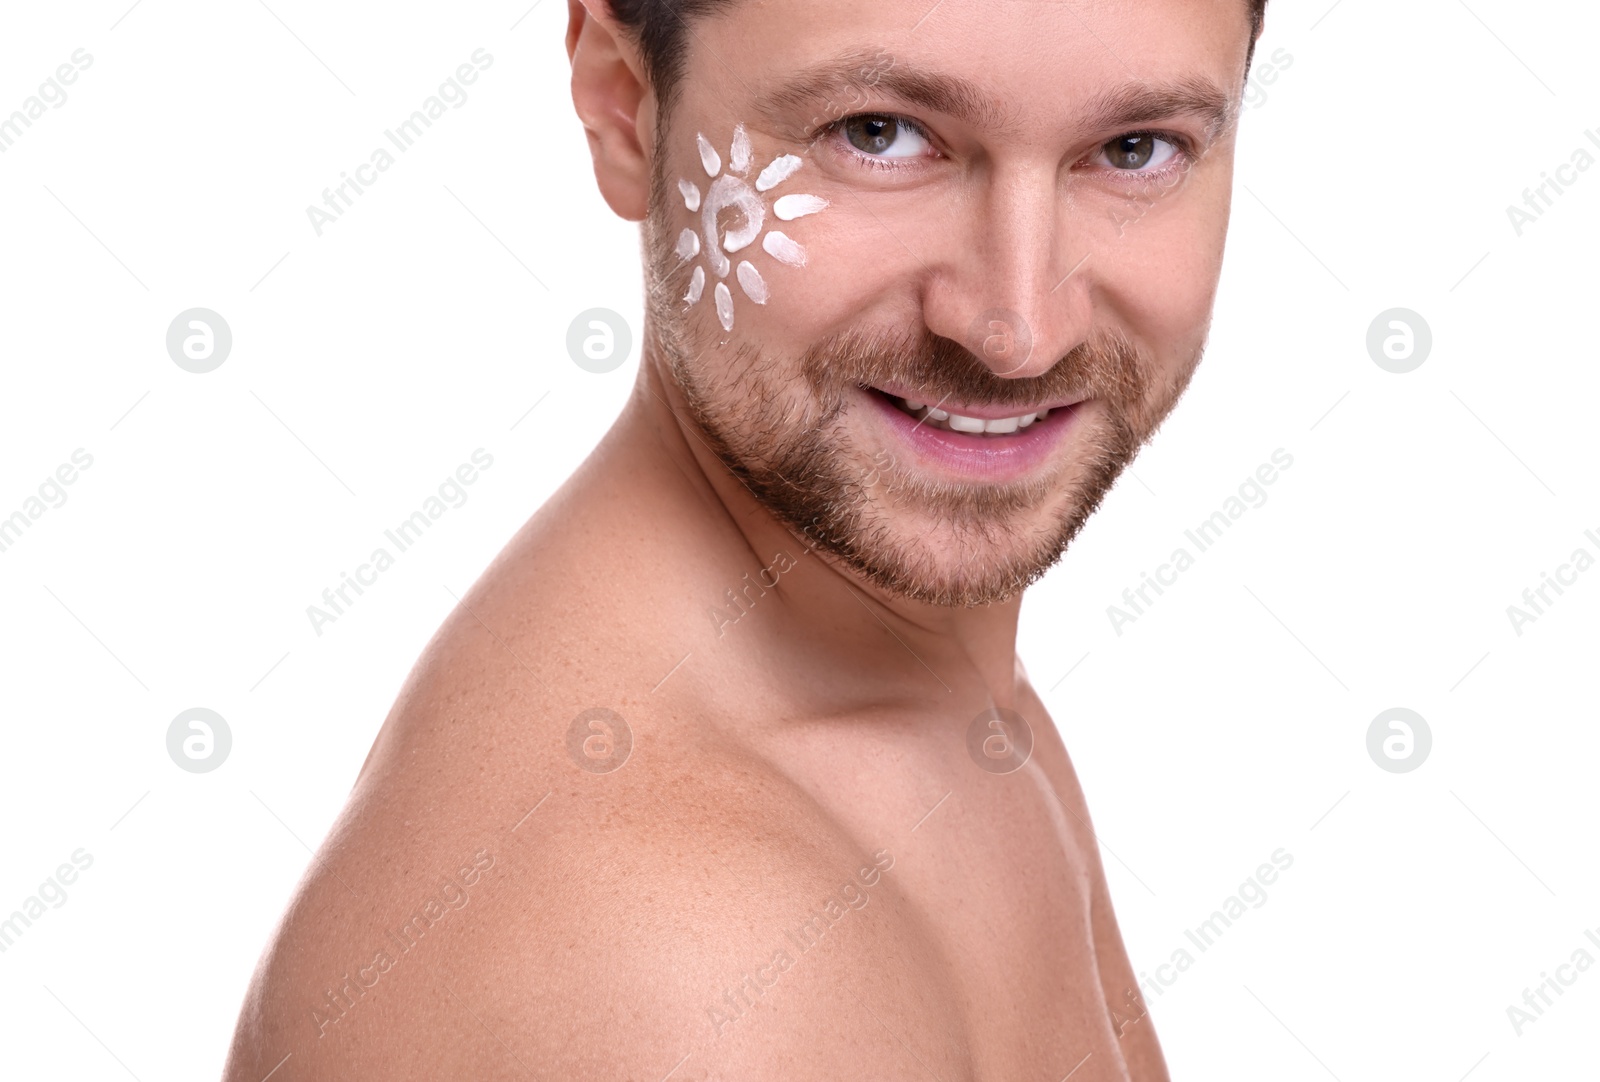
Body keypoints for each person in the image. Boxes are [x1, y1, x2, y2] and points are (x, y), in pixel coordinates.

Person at [223, 0, 1268, 1077]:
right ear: (624, 105)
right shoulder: (679, 969)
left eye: (1134, 150)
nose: (1015, 328)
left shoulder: (928, 692)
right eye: (877, 134)